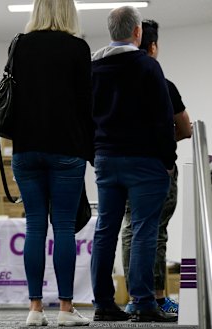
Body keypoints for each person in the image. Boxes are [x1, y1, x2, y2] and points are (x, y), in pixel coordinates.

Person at [90, 6, 177, 323]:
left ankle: (103, 302)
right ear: (138, 33)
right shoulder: (146, 66)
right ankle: (142, 302)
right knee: (143, 231)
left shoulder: (94, 67)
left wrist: (95, 153)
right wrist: (168, 161)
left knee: (105, 231)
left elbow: (87, 117)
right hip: (144, 162)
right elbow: (163, 118)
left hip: (106, 159)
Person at [8, 0, 93, 326]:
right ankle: (65, 309)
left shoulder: (20, 45)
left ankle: (34, 309)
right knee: (64, 229)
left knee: (34, 227)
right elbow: (86, 104)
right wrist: (91, 151)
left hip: (25, 150)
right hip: (65, 150)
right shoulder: (77, 47)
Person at [121, 19, 192, 315]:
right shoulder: (163, 84)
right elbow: (186, 128)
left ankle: (134, 298)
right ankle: (158, 298)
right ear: (152, 47)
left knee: (130, 231)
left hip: (122, 167)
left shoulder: (115, 83)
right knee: (155, 231)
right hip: (157, 169)